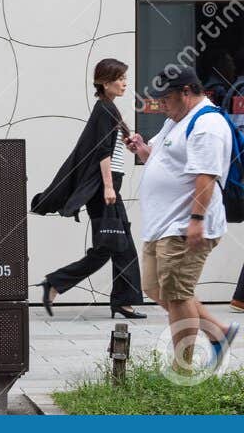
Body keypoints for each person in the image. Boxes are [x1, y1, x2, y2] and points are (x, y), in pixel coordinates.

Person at [126, 68, 240, 372]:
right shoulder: (175, 121)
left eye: (166, 98)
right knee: (155, 290)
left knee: (177, 295)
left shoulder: (208, 125)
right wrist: (142, 150)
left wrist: (196, 220)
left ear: (186, 92)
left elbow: (206, 176)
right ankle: (218, 332)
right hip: (161, 225)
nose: (161, 104)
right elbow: (165, 161)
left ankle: (182, 369)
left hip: (183, 224)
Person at [32, 58, 144, 318]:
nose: (125, 82)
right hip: (104, 187)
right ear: (105, 82)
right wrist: (107, 187)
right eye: (119, 78)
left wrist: (128, 143)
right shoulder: (104, 109)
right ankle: (59, 284)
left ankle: (63, 285)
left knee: (115, 244)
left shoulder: (108, 108)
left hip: (108, 185)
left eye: (125, 77)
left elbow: (109, 147)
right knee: (114, 244)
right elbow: (101, 151)